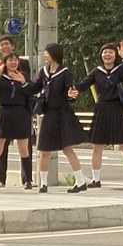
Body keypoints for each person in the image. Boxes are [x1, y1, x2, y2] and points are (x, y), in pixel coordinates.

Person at [72, 41, 123, 188]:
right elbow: (83, 85)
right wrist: (71, 89)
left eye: (110, 52)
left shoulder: (121, 69)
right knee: (97, 146)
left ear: (116, 55)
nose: (107, 54)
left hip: (117, 109)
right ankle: (96, 180)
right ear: (101, 55)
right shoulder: (96, 71)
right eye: (104, 52)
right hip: (102, 108)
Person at [32, 43, 89, 193]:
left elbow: (70, 92)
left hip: (63, 113)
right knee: (44, 149)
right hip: (49, 114)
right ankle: (43, 184)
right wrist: (23, 82)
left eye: (47, 53)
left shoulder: (65, 73)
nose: (45, 55)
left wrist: (71, 95)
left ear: (55, 55)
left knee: (67, 149)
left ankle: (80, 182)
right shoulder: (43, 72)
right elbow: (35, 87)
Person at [0, 52, 35, 190]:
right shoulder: (1, 77)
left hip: (20, 114)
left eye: (15, 60)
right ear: (5, 63)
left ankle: (28, 180)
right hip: (4, 113)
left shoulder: (23, 75)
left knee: (24, 149)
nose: (13, 62)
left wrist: (23, 82)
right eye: (10, 60)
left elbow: (31, 91)